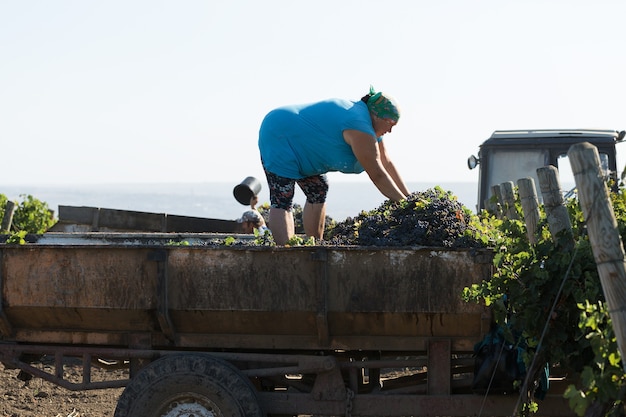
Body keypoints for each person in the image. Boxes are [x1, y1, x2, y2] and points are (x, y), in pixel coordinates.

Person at [258, 86, 410, 245]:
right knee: (283, 196)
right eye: (391, 123)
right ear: (377, 116)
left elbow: (386, 162)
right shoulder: (359, 125)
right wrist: (404, 205)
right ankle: (287, 255)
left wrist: (409, 198)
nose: (391, 130)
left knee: (318, 188)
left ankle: (315, 247)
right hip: (279, 133)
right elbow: (377, 174)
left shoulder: (370, 126)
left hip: (303, 144)